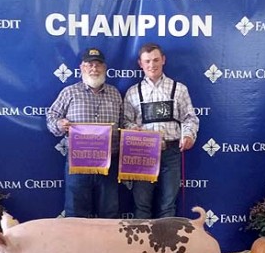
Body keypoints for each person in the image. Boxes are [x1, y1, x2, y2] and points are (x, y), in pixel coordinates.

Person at [123, 43, 199, 219]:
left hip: (171, 151)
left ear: (163, 60)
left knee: (168, 205)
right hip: (142, 153)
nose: (152, 65)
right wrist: (132, 129)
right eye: (147, 61)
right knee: (141, 205)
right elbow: (125, 121)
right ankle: (141, 247)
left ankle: (166, 246)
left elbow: (189, 118)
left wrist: (188, 135)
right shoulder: (132, 92)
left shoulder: (179, 89)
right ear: (140, 64)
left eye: (156, 60)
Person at [46, 48, 123, 218]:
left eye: (98, 64)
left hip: (109, 164)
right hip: (78, 164)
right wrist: (60, 123)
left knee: (109, 213)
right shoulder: (69, 92)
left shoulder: (115, 94)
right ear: (82, 67)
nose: (94, 68)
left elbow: (124, 124)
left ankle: (108, 245)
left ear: (105, 68)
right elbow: (51, 117)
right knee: (75, 213)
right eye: (90, 64)